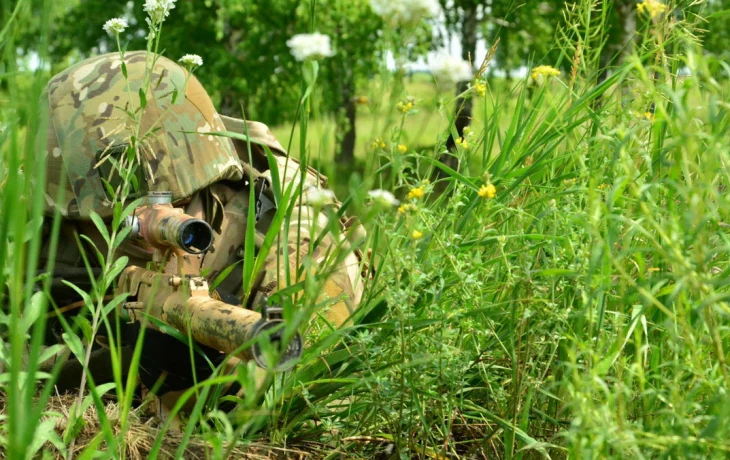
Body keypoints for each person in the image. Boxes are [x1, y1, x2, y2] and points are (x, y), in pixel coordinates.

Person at [37, 50, 366, 416]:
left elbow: (314, 390)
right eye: (116, 220)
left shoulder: (296, 236)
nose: (148, 236)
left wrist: (201, 382)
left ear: (210, 185)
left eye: (174, 205)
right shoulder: (45, 220)